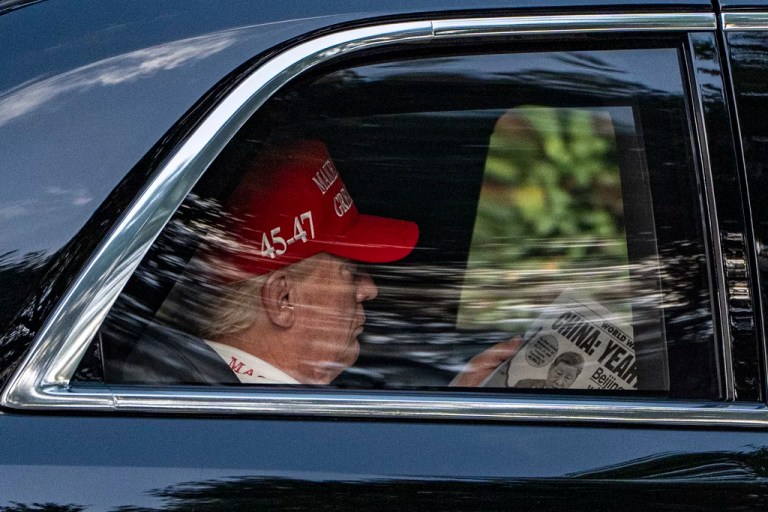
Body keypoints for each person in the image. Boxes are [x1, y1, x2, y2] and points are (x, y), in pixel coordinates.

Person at [118, 139, 520, 385]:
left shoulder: (229, 405)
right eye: (348, 269)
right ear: (283, 300)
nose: (369, 289)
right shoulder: (236, 430)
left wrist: (455, 404)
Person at [513, 351, 584, 389]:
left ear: (574, 380)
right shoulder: (523, 385)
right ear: (550, 368)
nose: (559, 382)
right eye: (559, 373)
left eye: (568, 378)